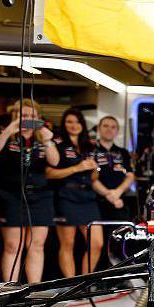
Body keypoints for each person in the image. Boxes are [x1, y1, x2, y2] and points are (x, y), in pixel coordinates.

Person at [0, 101, 59, 283]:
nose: (28, 120)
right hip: (10, 195)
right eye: (23, 115)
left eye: (32, 116)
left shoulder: (42, 139)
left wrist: (48, 140)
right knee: (12, 246)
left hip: (40, 196)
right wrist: (11, 128)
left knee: (37, 244)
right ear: (15, 115)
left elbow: (55, 161)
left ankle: (33, 290)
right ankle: (10, 291)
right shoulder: (3, 133)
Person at [46, 108, 104, 276]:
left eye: (77, 122)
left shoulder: (88, 146)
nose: (74, 125)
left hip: (88, 197)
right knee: (67, 243)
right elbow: (49, 173)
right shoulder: (58, 145)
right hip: (66, 196)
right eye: (69, 121)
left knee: (96, 243)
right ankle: (71, 284)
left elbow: (93, 178)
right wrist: (77, 167)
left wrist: (94, 169)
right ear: (64, 124)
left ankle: (85, 282)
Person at [92, 115, 135, 223]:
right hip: (95, 203)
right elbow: (89, 177)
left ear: (117, 131)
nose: (109, 129)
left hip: (119, 201)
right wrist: (108, 194)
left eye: (113, 127)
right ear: (99, 128)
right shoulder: (90, 150)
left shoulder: (123, 152)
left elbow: (130, 175)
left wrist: (117, 193)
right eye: (105, 126)